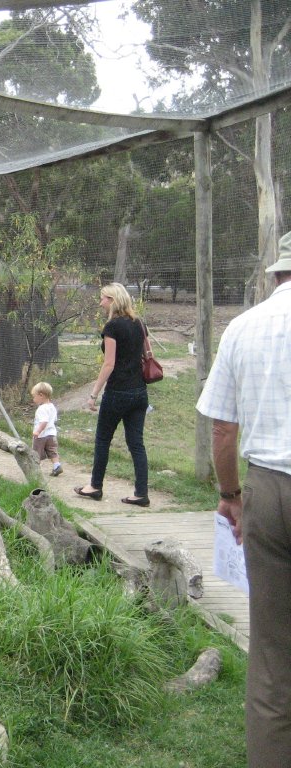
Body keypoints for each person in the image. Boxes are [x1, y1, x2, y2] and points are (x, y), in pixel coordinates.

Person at [195, 231, 291, 768]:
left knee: (274, 655)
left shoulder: (244, 326)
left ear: (277, 275)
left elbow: (222, 430)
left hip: (268, 492)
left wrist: (230, 496)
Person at [74, 282, 150, 505]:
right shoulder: (139, 323)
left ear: (113, 300)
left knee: (103, 440)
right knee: (137, 443)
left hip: (117, 392)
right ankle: (141, 493)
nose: (100, 303)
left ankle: (95, 486)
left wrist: (93, 394)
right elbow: (146, 354)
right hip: (139, 392)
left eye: (103, 298)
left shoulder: (113, 327)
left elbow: (109, 364)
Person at [31, 382, 63, 476]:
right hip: (52, 434)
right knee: (52, 451)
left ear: (41, 395)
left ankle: (35, 470)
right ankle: (57, 465)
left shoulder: (42, 408)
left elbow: (44, 422)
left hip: (41, 436)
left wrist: (38, 431)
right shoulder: (51, 407)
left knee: (36, 453)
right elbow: (53, 420)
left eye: (34, 396)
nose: (33, 399)